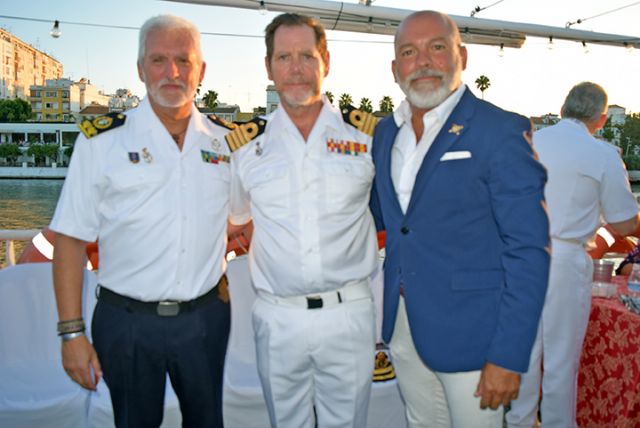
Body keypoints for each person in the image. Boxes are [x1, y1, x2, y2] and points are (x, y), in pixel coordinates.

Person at [51, 15, 235, 427]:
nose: (172, 72)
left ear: (201, 70)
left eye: (183, 60)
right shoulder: (101, 141)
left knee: (208, 422)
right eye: (158, 60)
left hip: (205, 319)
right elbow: (69, 239)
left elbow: (244, 216)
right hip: (126, 323)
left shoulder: (225, 142)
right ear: (139, 69)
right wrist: (71, 333)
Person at [369, 10, 551, 427]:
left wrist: (508, 354)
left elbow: (529, 250)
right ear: (395, 68)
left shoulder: (498, 130)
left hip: (475, 338)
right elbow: (382, 218)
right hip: (404, 328)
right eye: (409, 52)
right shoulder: (385, 133)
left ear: (461, 56)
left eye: (437, 47)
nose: (423, 61)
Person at [228, 13, 379, 428]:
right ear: (268, 66)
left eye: (306, 56)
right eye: (283, 57)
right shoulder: (245, 147)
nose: (295, 69)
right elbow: (238, 219)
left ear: (325, 61)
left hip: (348, 313)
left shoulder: (367, 137)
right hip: (278, 317)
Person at [507, 82, 638, 428]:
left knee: (523, 353)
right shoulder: (602, 154)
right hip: (564, 261)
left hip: (520, 257)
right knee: (561, 362)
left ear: (563, 107)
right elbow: (624, 224)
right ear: (601, 117)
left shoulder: (530, 143)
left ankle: (520, 422)